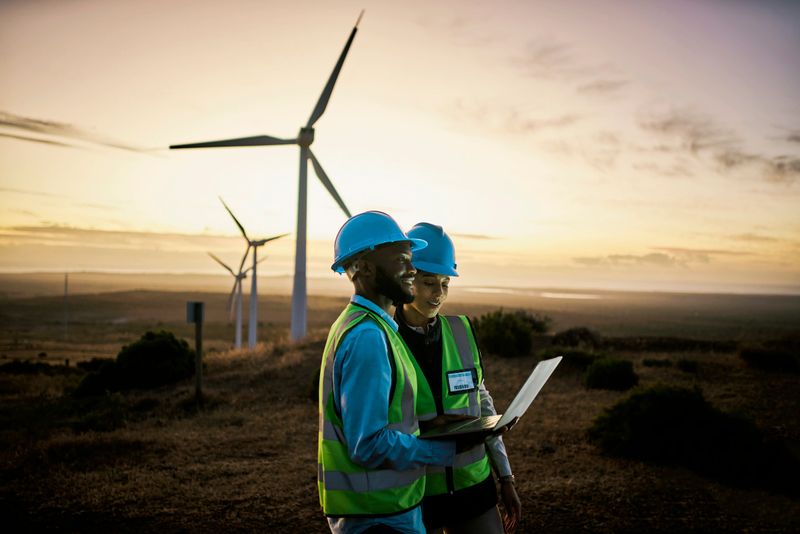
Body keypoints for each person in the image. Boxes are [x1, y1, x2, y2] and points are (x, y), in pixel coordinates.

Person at [319, 211, 466, 534]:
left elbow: (378, 419)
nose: (412, 269)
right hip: (377, 517)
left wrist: (430, 424)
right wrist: (436, 451)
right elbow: (368, 444)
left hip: (385, 510)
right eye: (402, 259)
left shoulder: (370, 327)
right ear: (365, 268)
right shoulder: (367, 337)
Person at [394, 222, 522, 534]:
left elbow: (483, 405)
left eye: (445, 283)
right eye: (428, 282)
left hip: (473, 488)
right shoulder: (383, 339)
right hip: (415, 494)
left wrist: (505, 477)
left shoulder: (461, 331)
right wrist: (425, 427)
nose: (438, 294)